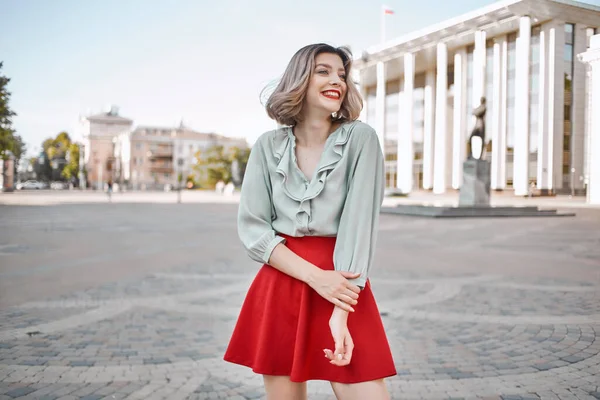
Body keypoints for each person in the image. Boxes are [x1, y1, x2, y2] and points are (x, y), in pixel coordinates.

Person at [224, 43, 396, 400]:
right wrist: (317, 279)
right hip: (282, 283)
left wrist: (340, 309)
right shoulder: (266, 146)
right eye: (324, 71)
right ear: (300, 78)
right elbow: (255, 230)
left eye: (342, 75)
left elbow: (358, 225)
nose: (337, 80)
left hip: (344, 286)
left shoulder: (361, 139)